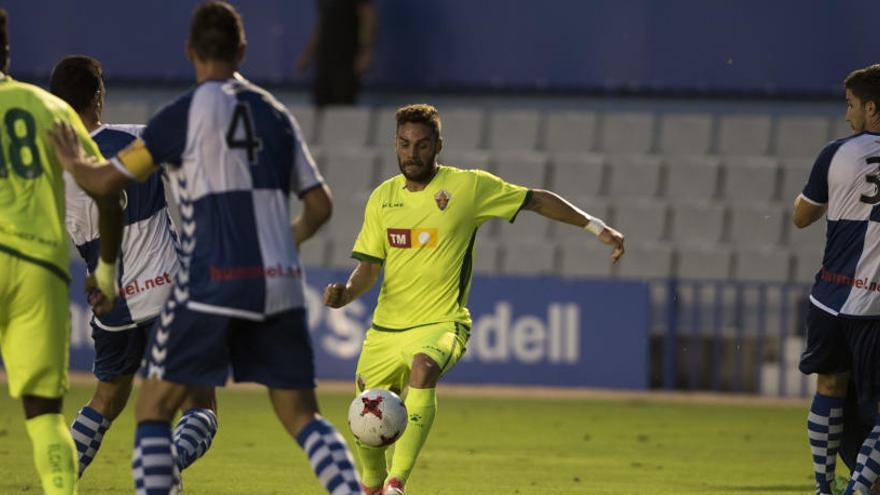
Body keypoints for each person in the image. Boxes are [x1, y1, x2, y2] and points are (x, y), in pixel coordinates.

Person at [48, 2, 362, 494]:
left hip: (166, 292)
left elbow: (105, 180)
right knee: (300, 415)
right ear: (242, 50)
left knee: (139, 409)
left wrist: (72, 161)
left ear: (190, 51)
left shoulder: (178, 119)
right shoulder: (273, 114)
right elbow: (320, 206)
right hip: (255, 284)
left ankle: (85, 482)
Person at [322, 103, 625, 495]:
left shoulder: (467, 188)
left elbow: (534, 198)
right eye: (404, 144)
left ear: (439, 145)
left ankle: (397, 485)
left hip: (441, 323)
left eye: (422, 145)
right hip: (385, 331)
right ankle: (375, 486)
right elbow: (369, 268)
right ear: (395, 144)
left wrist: (597, 228)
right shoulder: (382, 198)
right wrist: (345, 294)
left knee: (424, 368)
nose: (412, 154)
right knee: (368, 420)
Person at [49, 55, 219, 480]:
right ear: (98, 96)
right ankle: (161, 472)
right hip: (168, 295)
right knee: (201, 409)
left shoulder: (51, 170)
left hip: (112, 307)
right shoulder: (134, 140)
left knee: (106, 400)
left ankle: (58, 481)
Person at [0, 8, 123, 494]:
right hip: (39, 269)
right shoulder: (49, 109)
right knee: (44, 415)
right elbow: (109, 194)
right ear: (8, 49)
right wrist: (107, 271)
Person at [792, 64, 880, 495]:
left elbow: (801, 216)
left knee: (829, 385)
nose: (847, 116)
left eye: (850, 106)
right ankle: (858, 489)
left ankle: (823, 489)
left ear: (871, 107)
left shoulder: (836, 153)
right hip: (876, 305)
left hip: (831, 296)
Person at [296, 0, 376, 106]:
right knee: (320, 100)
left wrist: (366, 52)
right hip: (324, 57)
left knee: (343, 102)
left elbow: (368, 16)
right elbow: (322, 24)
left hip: (347, 58)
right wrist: (307, 55)